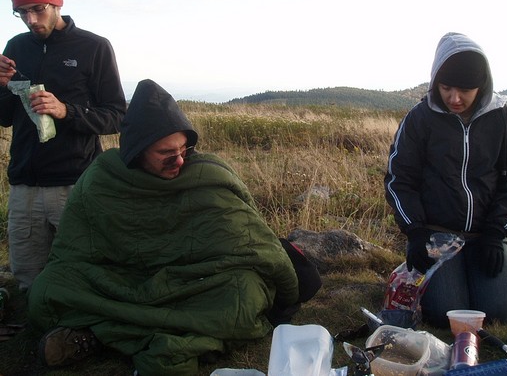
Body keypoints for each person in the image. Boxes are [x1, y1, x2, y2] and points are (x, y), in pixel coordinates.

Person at [27, 80, 314, 375]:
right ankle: (157, 334)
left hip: (191, 282)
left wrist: (287, 291)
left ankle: (99, 335)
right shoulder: (102, 178)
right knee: (47, 288)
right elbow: (73, 251)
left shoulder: (207, 175)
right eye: (165, 153)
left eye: (183, 148)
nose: (178, 160)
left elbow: (250, 240)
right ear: (137, 151)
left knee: (245, 293)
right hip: (123, 279)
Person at [384, 32, 507, 328]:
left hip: (485, 235)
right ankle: (447, 275)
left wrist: (496, 231)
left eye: (465, 90)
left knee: (499, 312)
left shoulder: (503, 119)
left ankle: (473, 268)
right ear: (435, 82)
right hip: (436, 235)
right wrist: (415, 231)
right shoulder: (419, 119)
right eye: (446, 88)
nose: (454, 98)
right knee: (444, 312)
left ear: (482, 86)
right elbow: (399, 179)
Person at [0, 0, 127, 292]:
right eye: (21, 12)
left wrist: (65, 111)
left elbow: (116, 116)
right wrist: (1, 86)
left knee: (82, 274)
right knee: (28, 279)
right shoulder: (15, 48)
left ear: (57, 2)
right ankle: (33, 322)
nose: (31, 20)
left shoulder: (93, 47)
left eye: (38, 8)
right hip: (24, 186)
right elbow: (4, 117)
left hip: (75, 184)